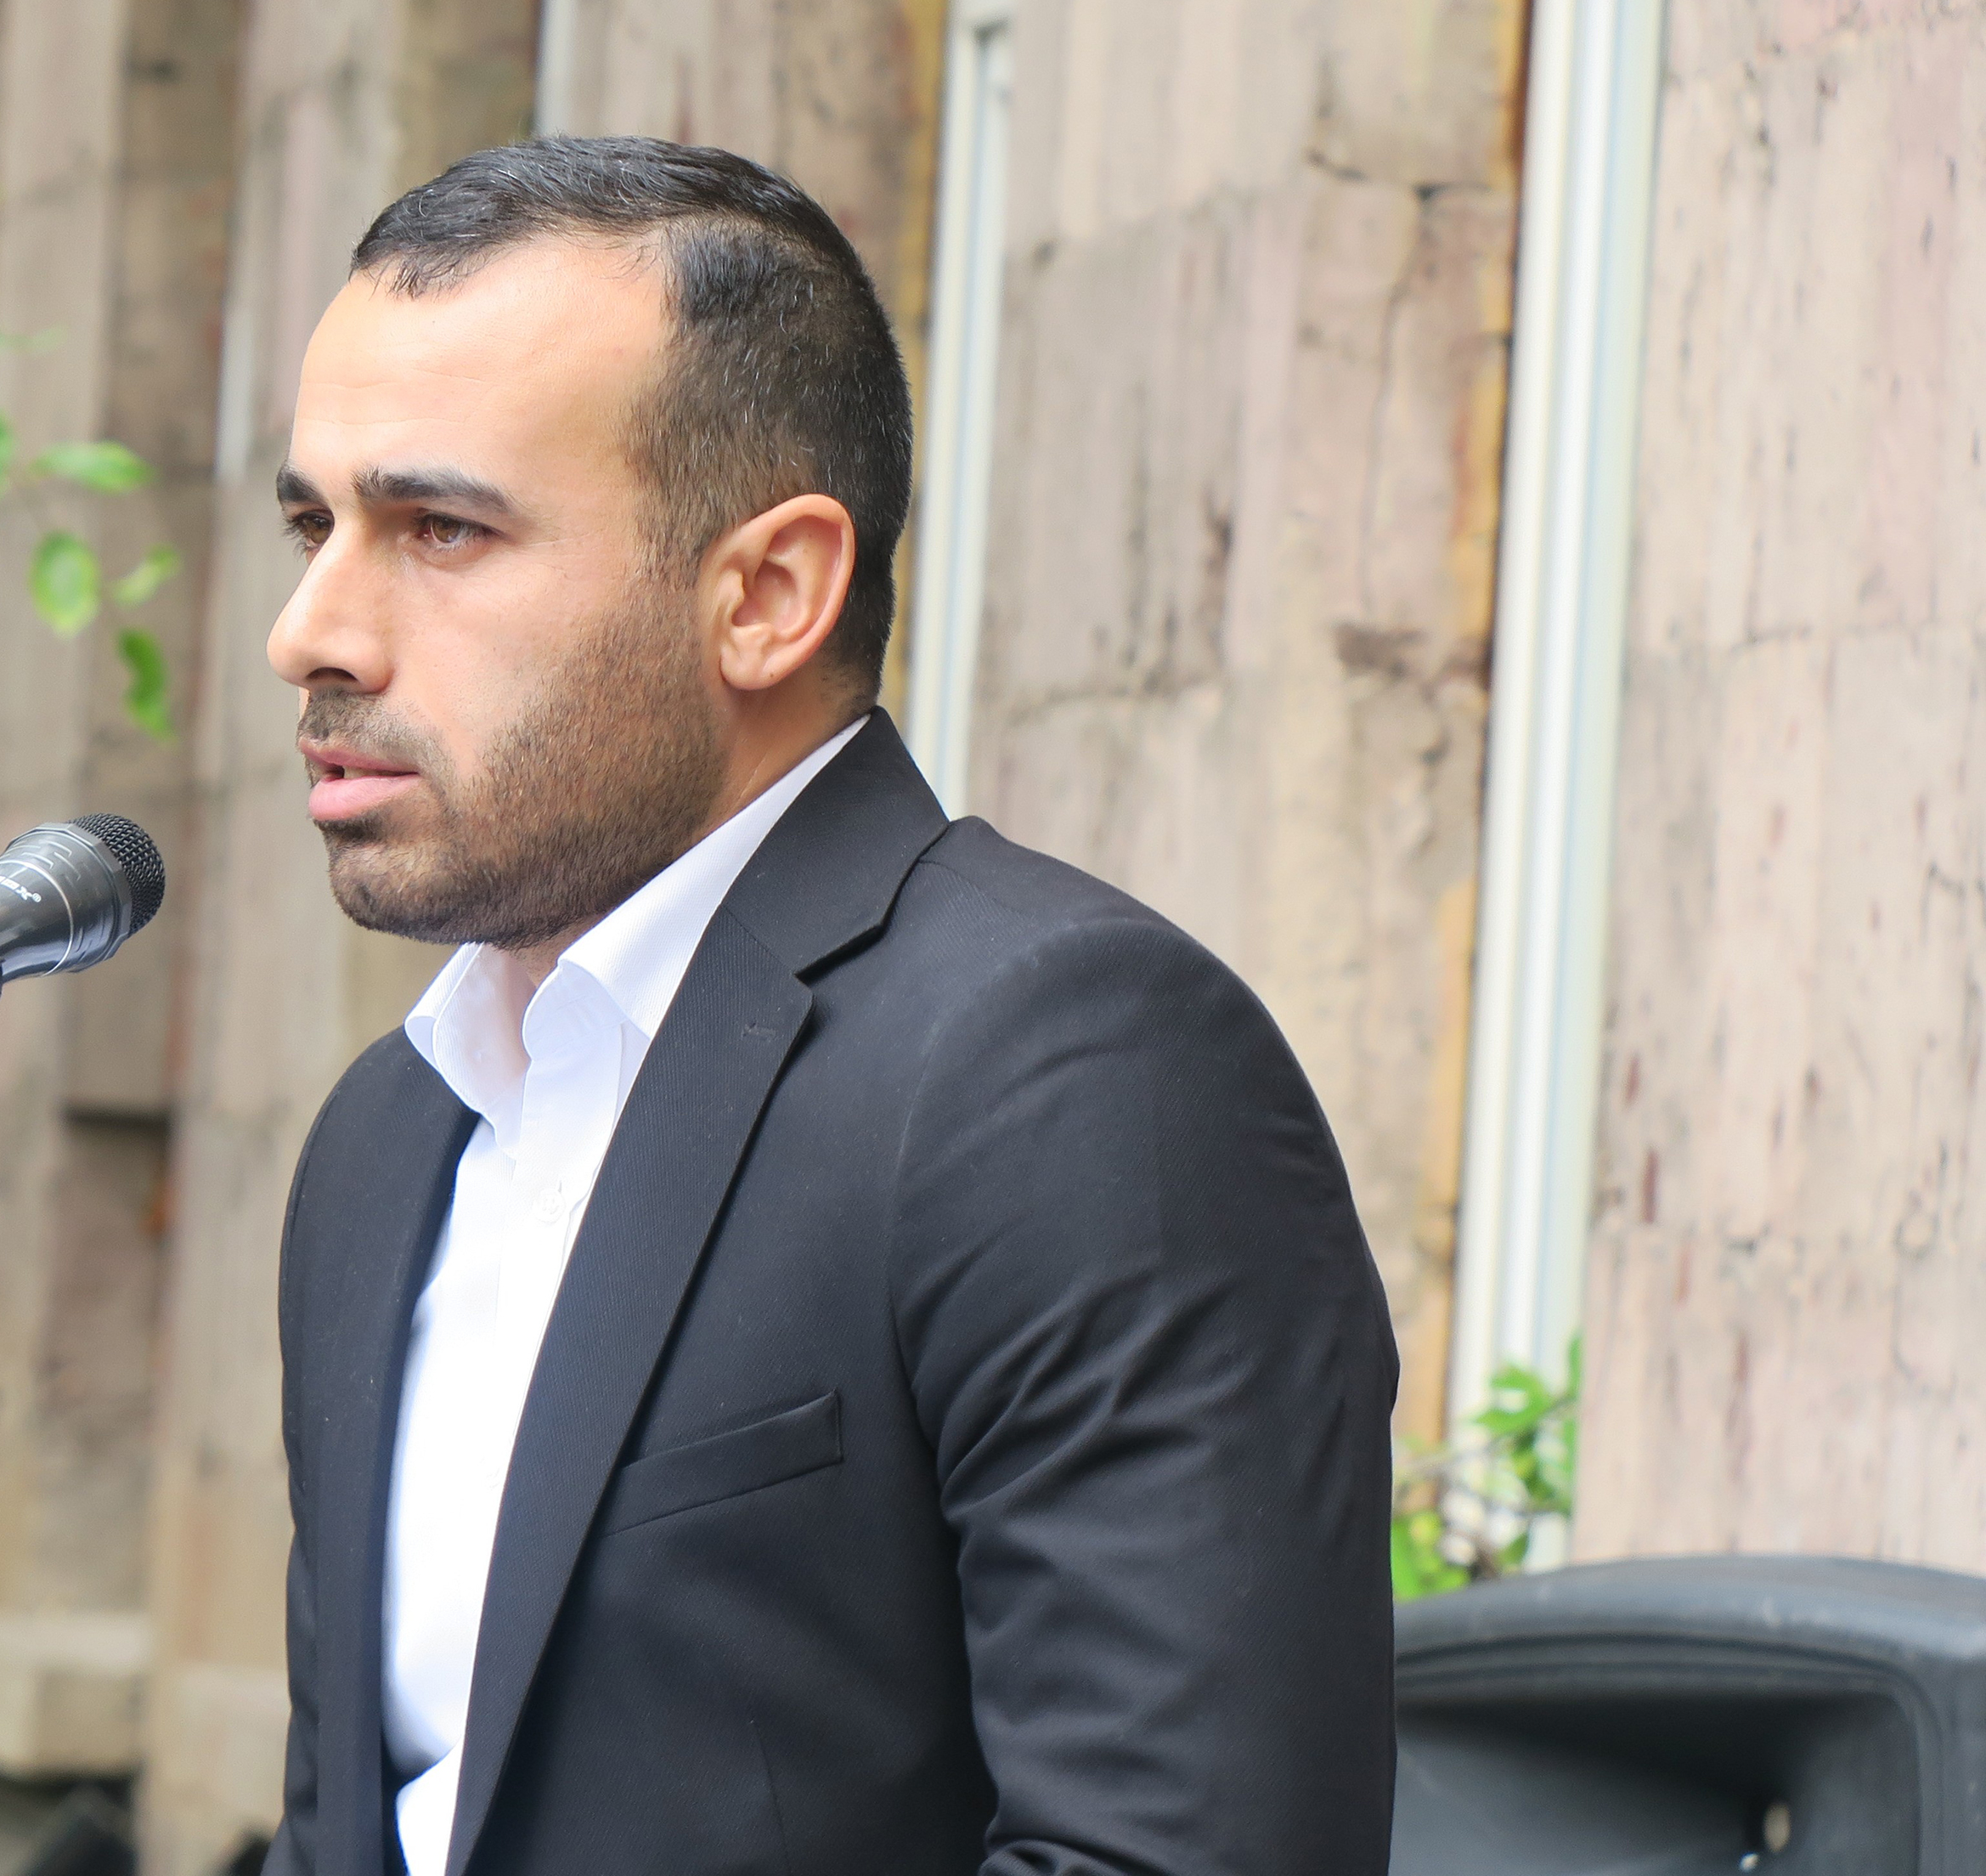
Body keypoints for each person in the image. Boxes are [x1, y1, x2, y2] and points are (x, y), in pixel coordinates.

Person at [257, 137, 1398, 1876]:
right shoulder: (387, 1138)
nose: (312, 631)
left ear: (769, 594)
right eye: (311, 524)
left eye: (441, 530)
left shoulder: (1063, 1072)